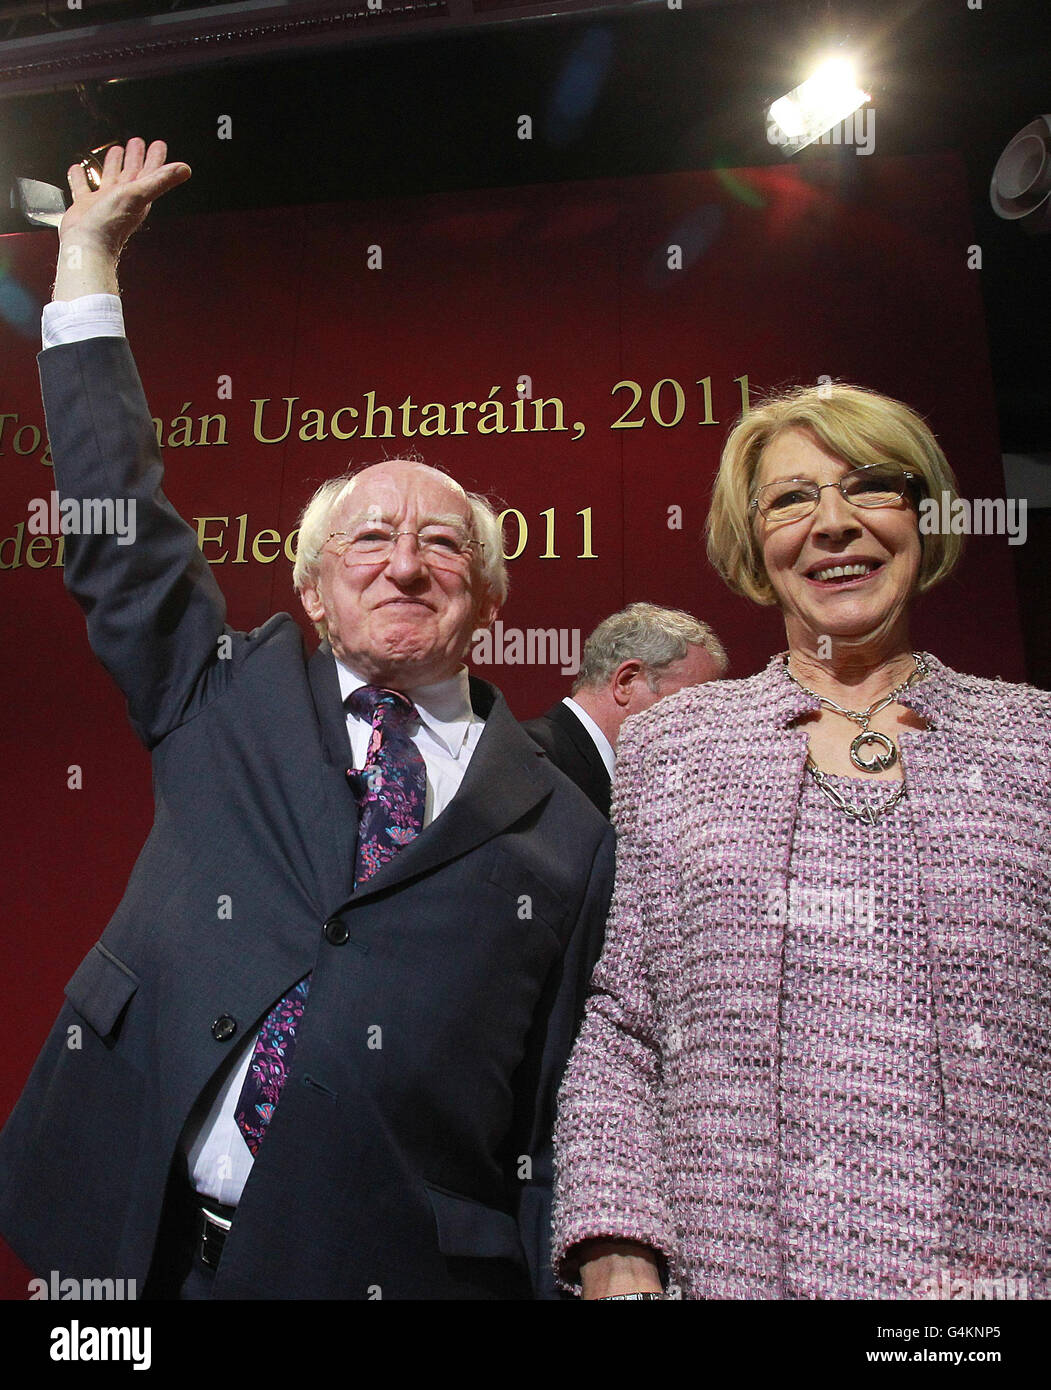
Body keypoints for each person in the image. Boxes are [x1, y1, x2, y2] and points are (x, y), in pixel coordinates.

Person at [0, 140, 615, 1301]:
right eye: (369, 540)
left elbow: (556, 1108)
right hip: (116, 1246)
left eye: (444, 544)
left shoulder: (567, 835)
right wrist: (85, 257)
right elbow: (110, 511)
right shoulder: (219, 690)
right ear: (312, 588)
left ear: (490, 595)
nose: (405, 564)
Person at [552, 382, 1051, 1300]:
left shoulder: (1032, 743)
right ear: (755, 543)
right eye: (790, 498)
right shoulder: (676, 745)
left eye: (871, 487)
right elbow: (624, 1027)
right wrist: (618, 1262)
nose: (832, 523)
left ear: (922, 516)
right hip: (729, 1276)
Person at [522, 604, 726, 816]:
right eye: (693, 705)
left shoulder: (634, 780)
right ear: (625, 682)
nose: (703, 727)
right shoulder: (530, 758)